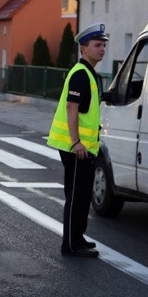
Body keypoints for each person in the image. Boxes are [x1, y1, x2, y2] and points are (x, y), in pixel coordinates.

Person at [46, 22, 108, 258]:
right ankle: (71, 245)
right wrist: (76, 142)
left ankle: (77, 237)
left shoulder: (89, 73)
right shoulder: (81, 74)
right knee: (76, 196)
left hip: (83, 148)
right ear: (84, 49)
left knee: (82, 195)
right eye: (97, 45)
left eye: (103, 45)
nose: (102, 49)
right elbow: (72, 107)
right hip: (76, 148)